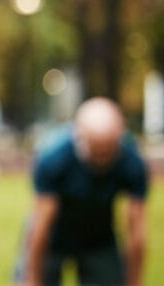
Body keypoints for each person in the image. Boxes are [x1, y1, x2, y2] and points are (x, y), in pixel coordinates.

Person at [15, 97, 149, 286]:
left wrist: (134, 282)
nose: (102, 159)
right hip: (53, 235)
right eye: (96, 151)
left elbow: (136, 231)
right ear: (78, 136)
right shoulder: (54, 159)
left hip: (99, 238)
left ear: (119, 136)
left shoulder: (132, 163)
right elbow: (40, 226)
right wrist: (32, 280)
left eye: (108, 151)